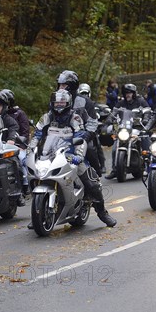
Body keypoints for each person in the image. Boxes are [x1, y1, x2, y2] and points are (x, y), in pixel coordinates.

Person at [28, 89, 116, 227]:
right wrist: (30, 149)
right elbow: (37, 135)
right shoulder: (46, 117)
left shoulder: (75, 118)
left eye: (62, 102)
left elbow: (80, 137)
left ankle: (102, 213)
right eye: (56, 103)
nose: (59, 105)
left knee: (91, 182)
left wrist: (78, 156)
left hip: (69, 156)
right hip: (48, 155)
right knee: (35, 176)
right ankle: (38, 213)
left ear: (68, 103)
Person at [56, 71, 102, 176]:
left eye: (63, 85)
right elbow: (50, 118)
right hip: (60, 136)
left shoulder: (85, 101)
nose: (60, 87)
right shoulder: (55, 100)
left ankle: (96, 175)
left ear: (71, 86)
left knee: (90, 149)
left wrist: (86, 136)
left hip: (80, 136)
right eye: (59, 85)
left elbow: (92, 122)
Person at [104, 83, 151, 180]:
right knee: (114, 147)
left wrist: (146, 119)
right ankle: (115, 170)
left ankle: (148, 165)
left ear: (134, 93)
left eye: (129, 93)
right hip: (124, 128)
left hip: (137, 128)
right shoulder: (121, 103)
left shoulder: (141, 102)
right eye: (126, 93)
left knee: (145, 141)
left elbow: (147, 111)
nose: (127, 95)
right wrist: (109, 120)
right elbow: (114, 112)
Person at [2, 88, 32, 198]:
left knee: (21, 159)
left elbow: (25, 131)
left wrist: (22, 146)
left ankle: (24, 184)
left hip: (17, 144)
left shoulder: (19, 113)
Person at [78, 83, 107, 174]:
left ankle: (101, 165)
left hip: (91, 130)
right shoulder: (76, 105)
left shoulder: (92, 104)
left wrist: (100, 114)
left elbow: (102, 111)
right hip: (78, 130)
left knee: (96, 145)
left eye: (86, 93)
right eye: (82, 94)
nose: (84, 96)